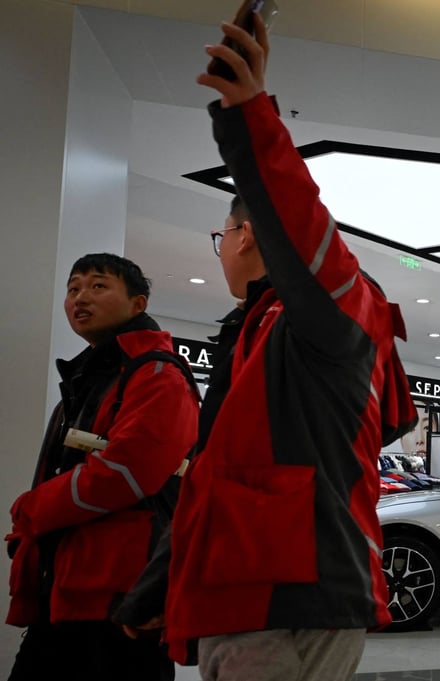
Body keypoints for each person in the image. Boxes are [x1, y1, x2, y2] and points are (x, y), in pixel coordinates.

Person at [117, 14, 418, 681]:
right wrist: (159, 585)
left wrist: (249, 117)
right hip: (247, 595)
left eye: (222, 234)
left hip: (286, 600)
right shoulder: (255, 333)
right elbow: (215, 477)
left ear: (245, 236)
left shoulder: (336, 310)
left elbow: (303, 227)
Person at [5, 254, 200, 681]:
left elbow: (130, 470)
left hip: (121, 595)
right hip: (70, 588)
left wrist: (32, 510)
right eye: (73, 288)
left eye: (97, 286)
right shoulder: (89, 377)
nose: (80, 297)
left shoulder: (157, 374)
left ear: (138, 304)